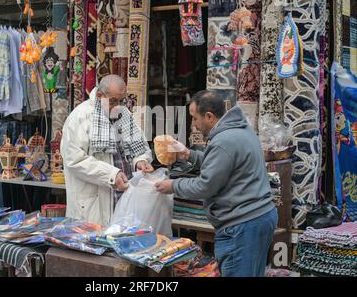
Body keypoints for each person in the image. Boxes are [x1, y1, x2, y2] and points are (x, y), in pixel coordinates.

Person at [155, 90, 278, 277]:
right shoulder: (240, 129)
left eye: (195, 119)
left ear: (209, 116)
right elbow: (222, 164)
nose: (193, 125)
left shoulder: (224, 140)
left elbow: (205, 186)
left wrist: (172, 185)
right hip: (257, 218)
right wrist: (188, 154)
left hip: (242, 225)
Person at [61, 74, 154, 226]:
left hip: (123, 199)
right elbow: (75, 160)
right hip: (95, 205)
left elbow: (138, 144)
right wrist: (112, 175)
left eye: (121, 101)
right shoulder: (80, 117)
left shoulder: (123, 114)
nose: (118, 106)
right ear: (99, 96)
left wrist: (140, 160)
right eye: (113, 101)